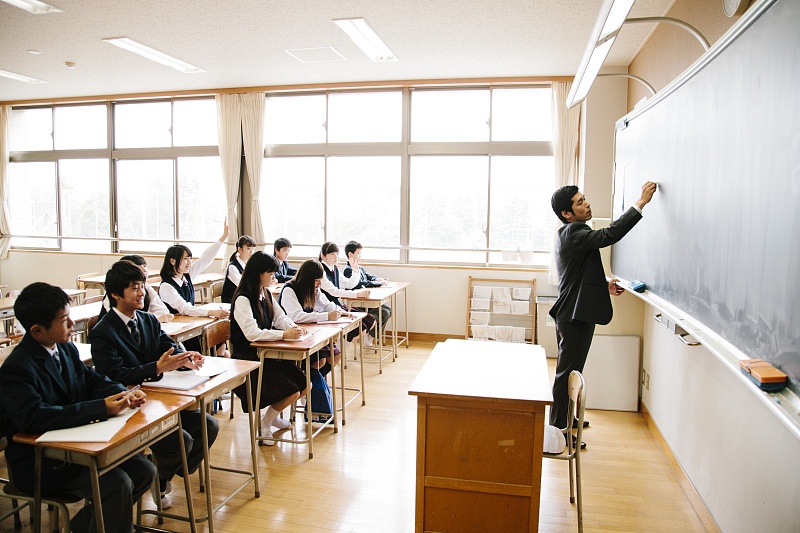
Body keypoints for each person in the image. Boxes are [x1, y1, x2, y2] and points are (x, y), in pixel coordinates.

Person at [0, 282, 154, 533]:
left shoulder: (66, 348)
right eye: (64, 320)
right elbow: (32, 418)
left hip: (76, 448)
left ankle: (82, 527)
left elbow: (91, 380)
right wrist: (101, 409)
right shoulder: (18, 367)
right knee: (117, 483)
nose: (73, 325)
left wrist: (123, 392)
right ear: (37, 330)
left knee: (144, 470)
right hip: (42, 463)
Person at [89, 261, 219, 509]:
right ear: (116, 294)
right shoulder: (103, 331)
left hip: (156, 400)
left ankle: (160, 477)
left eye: (142, 286)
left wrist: (185, 359)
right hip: (127, 407)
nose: (141, 293)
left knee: (208, 424)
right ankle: (156, 476)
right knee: (183, 440)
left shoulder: (147, 320)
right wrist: (156, 369)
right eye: (134, 288)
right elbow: (113, 374)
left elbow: (166, 348)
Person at [548, 181, 657, 446]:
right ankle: (558, 431)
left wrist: (604, 283)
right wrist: (639, 204)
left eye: (584, 199)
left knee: (573, 372)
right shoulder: (574, 232)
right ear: (567, 214)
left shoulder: (573, 232)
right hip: (573, 316)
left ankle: (568, 420)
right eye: (580, 202)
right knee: (566, 374)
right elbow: (609, 235)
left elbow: (578, 273)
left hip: (576, 312)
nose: (587, 204)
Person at [229, 251, 307, 445]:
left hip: (266, 352)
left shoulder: (265, 293)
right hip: (247, 358)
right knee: (292, 391)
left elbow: (279, 317)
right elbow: (252, 333)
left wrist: (293, 328)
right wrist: (282, 335)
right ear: (258, 273)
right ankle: (264, 424)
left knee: (306, 385)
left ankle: (271, 417)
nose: (274, 277)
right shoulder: (243, 298)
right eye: (270, 273)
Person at [158, 220, 230, 351]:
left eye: (190, 258)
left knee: (221, 346)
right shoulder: (166, 286)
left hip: (190, 324)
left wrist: (223, 238)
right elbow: (185, 308)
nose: (189, 262)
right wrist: (211, 312)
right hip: (177, 331)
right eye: (185, 259)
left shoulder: (186, 276)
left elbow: (205, 259)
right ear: (172, 261)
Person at [318, 242, 376, 342]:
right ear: (323, 256)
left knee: (369, 319)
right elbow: (334, 291)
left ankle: (342, 347)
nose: (336, 256)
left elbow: (349, 284)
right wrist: (357, 294)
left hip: (335, 304)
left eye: (337, 253)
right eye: (332, 254)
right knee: (359, 324)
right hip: (324, 307)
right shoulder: (321, 270)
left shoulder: (334, 269)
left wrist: (355, 270)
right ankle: (341, 348)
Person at [340, 240, 391, 340]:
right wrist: (379, 283)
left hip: (367, 299)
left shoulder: (360, 267)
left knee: (388, 310)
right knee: (384, 312)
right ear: (350, 254)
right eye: (358, 253)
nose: (360, 256)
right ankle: (369, 332)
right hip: (358, 302)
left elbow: (369, 277)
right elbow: (362, 283)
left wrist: (378, 279)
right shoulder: (348, 269)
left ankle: (371, 335)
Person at [99, 255, 173, 323]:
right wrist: (154, 320)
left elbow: (163, 310)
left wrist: (151, 321)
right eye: (135, 288)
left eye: (144, 266)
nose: (144, 269)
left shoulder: (146, 287)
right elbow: (119, 319)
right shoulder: (113, 295)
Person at [222, 235, 257, 303]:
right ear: (240, 249)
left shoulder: (247, 265)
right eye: (248, 249)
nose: (251, 252)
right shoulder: (232, 267)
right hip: (232, 300)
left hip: (243, 298)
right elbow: (242, 285)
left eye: (252, 249)